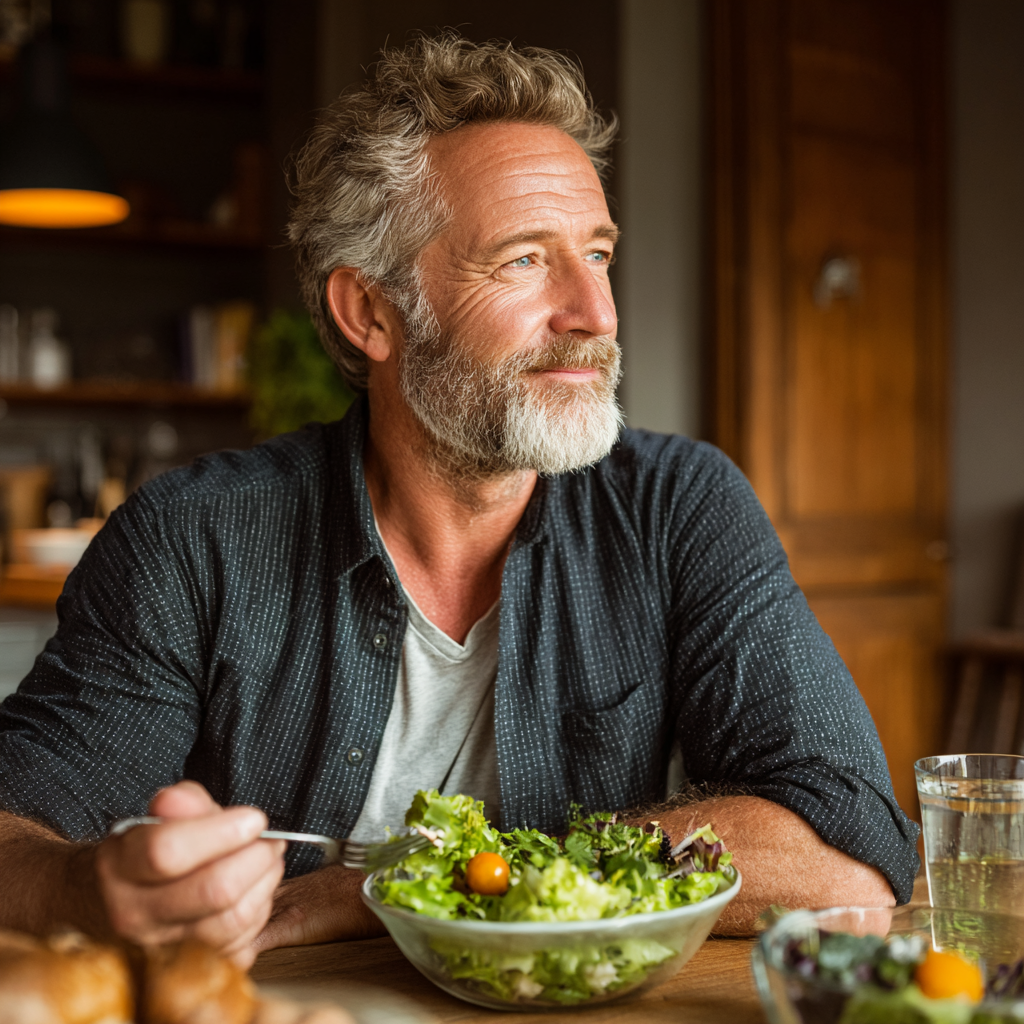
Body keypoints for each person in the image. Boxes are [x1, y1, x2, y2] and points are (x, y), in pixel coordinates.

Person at [0, 35, 917, 966]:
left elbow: (847, 854)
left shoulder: (679, 507)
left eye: (597, 254)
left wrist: (396, 883)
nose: (594, 313)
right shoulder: (194, 540)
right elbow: (10, 832)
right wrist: (91, 886)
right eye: (523, 261)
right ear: (371, 313)